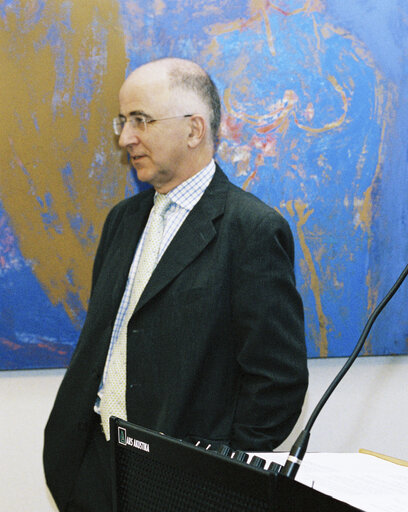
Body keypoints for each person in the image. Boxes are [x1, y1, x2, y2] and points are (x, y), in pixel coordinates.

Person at [43, 58, 308, 511]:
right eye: (123, 121)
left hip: (184, 487)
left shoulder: (251, 229)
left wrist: (216, 474)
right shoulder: (122, 221)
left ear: (193, 130)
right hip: (92, 473)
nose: (125, 137)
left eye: (140, 121)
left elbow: (277, 382)